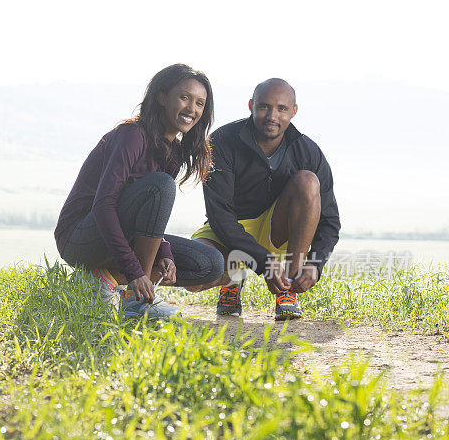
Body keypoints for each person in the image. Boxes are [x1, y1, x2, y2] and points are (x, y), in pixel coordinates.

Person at [54, 64, 224, 318]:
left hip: (119, 235)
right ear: (162, 96)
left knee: (210, 263)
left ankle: (104, 280)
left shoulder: (174, 152)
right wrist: (136, 271)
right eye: (184, 97)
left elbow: (147, 216)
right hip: (80, 237)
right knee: (162, 186)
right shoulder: (132, 136)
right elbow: (104, 206)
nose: (192, 109)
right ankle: (136, 298)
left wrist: (164, 251)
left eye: (200, 103)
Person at [189, 78, 340, 320]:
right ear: (251, 105)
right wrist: (263, 261)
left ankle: (287, 290)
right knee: (195, 269)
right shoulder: (221, 142)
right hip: (231, 230)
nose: (272, 115)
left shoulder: (308, 152)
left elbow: (330, 221)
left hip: (277, 230)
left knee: (308, 181)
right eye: (264, 107)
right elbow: (220, 215)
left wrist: (315, 264)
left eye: (282, 109)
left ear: (294, 111)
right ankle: (233, 278)